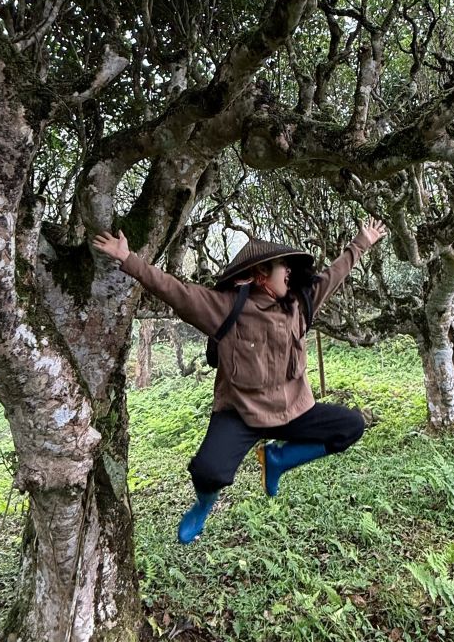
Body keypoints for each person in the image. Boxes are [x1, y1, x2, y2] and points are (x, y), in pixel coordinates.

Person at [92, 219, 388, 542]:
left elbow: (333, 275)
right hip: (241, 414)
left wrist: (361, 242)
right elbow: (174, 290)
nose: (288, 271)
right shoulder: (225, 308)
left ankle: (277, 460)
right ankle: (202, 507)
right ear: (261, 275)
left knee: (351, 426)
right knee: (208, 472)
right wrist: (128, 259)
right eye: (281, 266)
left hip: (293, 409)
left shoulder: (300, 303)